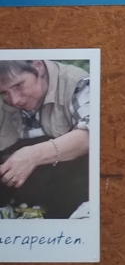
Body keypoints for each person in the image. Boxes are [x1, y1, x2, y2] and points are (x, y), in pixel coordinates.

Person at [0, 59, 91, 218]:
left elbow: (95, 134)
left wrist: (34, 155)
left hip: (73, 191)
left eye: (18, 85)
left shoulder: (78, 83)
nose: (14, 100)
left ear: (38, 66)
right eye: (3, 93)